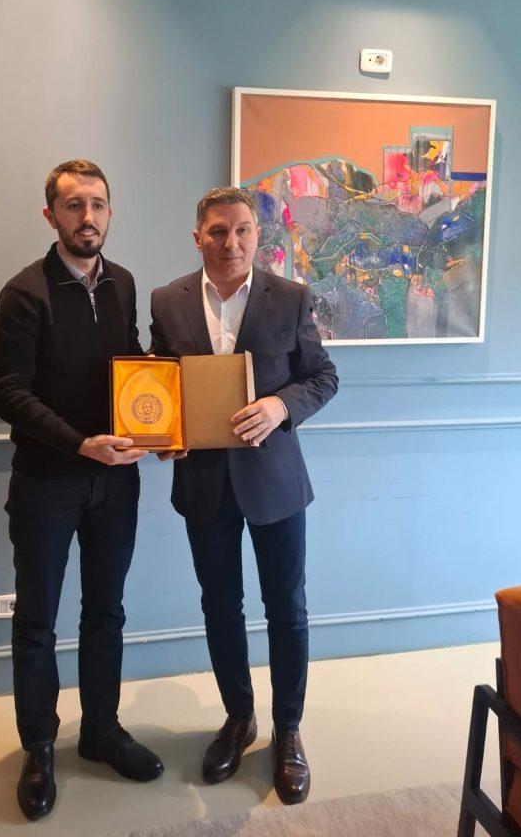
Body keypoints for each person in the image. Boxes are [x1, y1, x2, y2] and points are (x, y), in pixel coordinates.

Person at [149, 186, 338, 805]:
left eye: (241, 231)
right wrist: (162, 435)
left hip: (275, 483)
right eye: (217, 231)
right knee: (220, 606)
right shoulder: (167, 301)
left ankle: (288, 730)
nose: (230, 243)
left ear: (258, 236)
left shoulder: (292, 296)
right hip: (203, 482)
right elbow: (159, 381)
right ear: (198, 237)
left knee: (287, 608)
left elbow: (323, 376)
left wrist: (281, 406)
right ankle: (238, 717)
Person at [0, 160, 163, 822]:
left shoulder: (123, 283)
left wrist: (163, 419)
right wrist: (79, 442)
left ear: (110, 212)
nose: (86, 217)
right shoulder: (23, 293)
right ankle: (39, 746)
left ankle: (100, 732)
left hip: (116, 482)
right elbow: (8, 393)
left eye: (97, 204)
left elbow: (132, 366)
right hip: (47, 484)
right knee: (37, 622)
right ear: (51, 216)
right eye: (72, 205)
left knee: (106, 612)